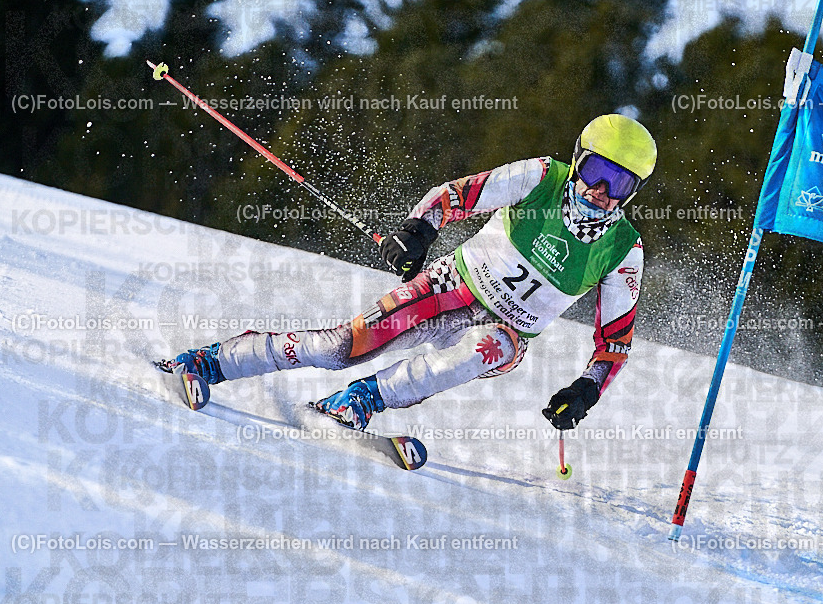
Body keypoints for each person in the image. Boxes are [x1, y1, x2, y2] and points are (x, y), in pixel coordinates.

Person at [167, 114, 654, 431]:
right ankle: (211, 362)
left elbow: (614, 345)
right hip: (450, 286)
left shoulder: (623, 251)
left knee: (483, 350)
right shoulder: (542, 176)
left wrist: (587, 389)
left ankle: (358, 402)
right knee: (342, 347)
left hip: (506, 330)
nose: (602, 191)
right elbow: (456, 196)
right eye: (596, 172)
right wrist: (418, 231)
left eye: (619, 183)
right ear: (578, 161)